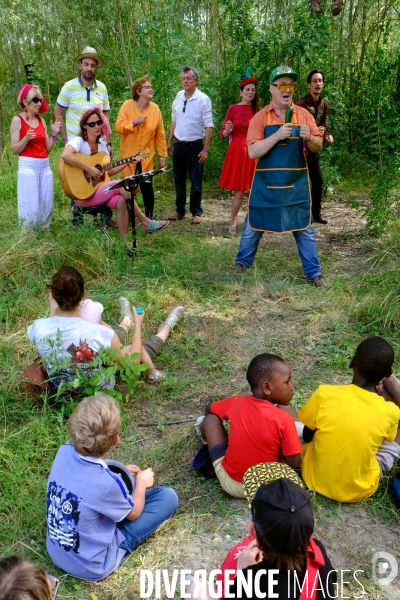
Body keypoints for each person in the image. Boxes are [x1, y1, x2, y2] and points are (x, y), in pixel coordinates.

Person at [46, 393, 179, 581]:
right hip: (90, 566)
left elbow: (84, 476)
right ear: (115, 439)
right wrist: (141, 483)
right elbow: (134, 513)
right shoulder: (107, 483)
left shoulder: (63, 451)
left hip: (58, 551)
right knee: (167, 497)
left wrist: (117, 470)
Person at [185, 463, 336, 600]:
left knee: (195, 587)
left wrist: (242, 573)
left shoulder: (251, 581)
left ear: (252, 530)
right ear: (311, 526)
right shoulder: (317, 553)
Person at [233, 66, 326, 288]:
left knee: (303, 226)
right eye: (282, 85)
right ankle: (241, 264)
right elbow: (253, 152)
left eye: (291, 85)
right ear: (271, 89)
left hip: (295, 185)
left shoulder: (304, 115)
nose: (287, 90)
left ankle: (314, 273)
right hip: (267, 185)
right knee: (254, 222)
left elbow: (318, 146)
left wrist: (309, 139)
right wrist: (277, 135)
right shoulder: (259, 118)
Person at [27, 266, 185, 389]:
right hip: (105, 392)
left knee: (109, 339)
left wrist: (53, 311)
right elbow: (131, 365)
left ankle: (125, 322)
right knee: (139, 349)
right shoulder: (97, 333)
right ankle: (165, 328)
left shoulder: (38, 328)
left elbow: (52, 330)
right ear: (83, 294)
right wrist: (139, 325)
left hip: (65, 393)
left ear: (53, 296)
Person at [298, 336, 400, 502]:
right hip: (360, 488)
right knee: (394, 436)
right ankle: (396, 387)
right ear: (387, 374)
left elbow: (308, 433)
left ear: (352, 362)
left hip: (313, 478)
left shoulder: (325, 394)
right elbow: (387, 440)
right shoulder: (391, 411)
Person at [195, 353, 301, 498]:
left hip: (233, 484)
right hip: (270, 485)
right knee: (286, 411)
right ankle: (302, 433)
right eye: (287, 382)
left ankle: (201, 432)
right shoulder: (283, 419)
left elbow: (210, 409)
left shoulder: (236, 403)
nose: (292, 386)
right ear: (267, 388)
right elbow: (294, 463)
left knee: (210, 420)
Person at [60, 107, 168, 248]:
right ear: (84, 126)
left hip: (99, 191)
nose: (97, 126)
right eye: (92, 124)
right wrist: (89, 169)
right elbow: (65, 155)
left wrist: (128, 160)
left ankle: (126, 242)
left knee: (121, 201)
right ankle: (146, 222)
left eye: (99, 122)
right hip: (82, 195)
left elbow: (108, 173)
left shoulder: (102, 146)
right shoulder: (78, 142)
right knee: (123, 185)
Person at [55, 46, 113, 226]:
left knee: (101, 175)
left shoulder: (101, 88)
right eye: (86, 64)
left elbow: (105, 117)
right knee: (77, 181)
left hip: (97, 143)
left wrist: (108, 142)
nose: (89, 68)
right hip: (77, 144)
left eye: (93, 65)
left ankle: (105, 219)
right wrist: (66, 140)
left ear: (96, 68)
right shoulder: (69, 87)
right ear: (80, 65)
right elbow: (58, 112)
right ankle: (78, 220)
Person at [10, 84, 62, 229]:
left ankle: (43, 235)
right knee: (30, 205)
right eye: (35, 100)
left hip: (44, 165)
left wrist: (54, 133)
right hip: (28, 165)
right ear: (25, 101)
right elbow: (14, 149)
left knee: (46, 203)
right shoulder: (17, 120)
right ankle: (27, 236)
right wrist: (25, 139)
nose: (39, 103)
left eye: (40, 100)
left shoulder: (41, 121)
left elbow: (47, 148)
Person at [115, 76, 167, 218]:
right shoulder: (127, 105)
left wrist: (162, 156)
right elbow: (118, 127)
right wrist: (134, 122)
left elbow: (160, 135)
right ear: (138, 91)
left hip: (146, 154)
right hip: (129, 153)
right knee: (129, 186)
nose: (151, 89)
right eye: (147, 87)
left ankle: (148, 217)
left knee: (147, 185)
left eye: (151, 87)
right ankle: (130, 215)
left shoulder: (155, 109)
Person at [167, 66, 213, 224]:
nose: (185, 81)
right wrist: (169, 141)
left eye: (188, 78)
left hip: (195, 146)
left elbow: (209, 126)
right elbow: (174, 120)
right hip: (179, 145)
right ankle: (180, 210)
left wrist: (205, 149)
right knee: (178, 180)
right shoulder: (179, 96)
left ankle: (196, 212)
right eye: (183, 78)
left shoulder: (203, 99)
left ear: (196, 80)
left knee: (195, 181)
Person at [219, 75, 261, 234]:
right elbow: (222, 132)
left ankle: (254, 220)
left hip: (253, 150)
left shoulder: (257, 110)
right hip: (237, 150)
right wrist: (227, 130)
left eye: (253, 90)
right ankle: (233, 222)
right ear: (241, 92)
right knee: (239, 191)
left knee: (256, 188)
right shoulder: (233, 108)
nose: (250, 92)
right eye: (247, 90)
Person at [296, 70, 334, 224]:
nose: (318, 84)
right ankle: (302, 214)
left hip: (314, 147)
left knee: (317, 181)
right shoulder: (301, 104)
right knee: (301, 181)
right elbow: (295, 125)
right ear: (308, 85)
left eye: (320, 81)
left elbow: (322, 126)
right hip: (300, 148)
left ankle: (316, 213)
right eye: (314, 81)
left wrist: (326, 136)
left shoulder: (324, 104)